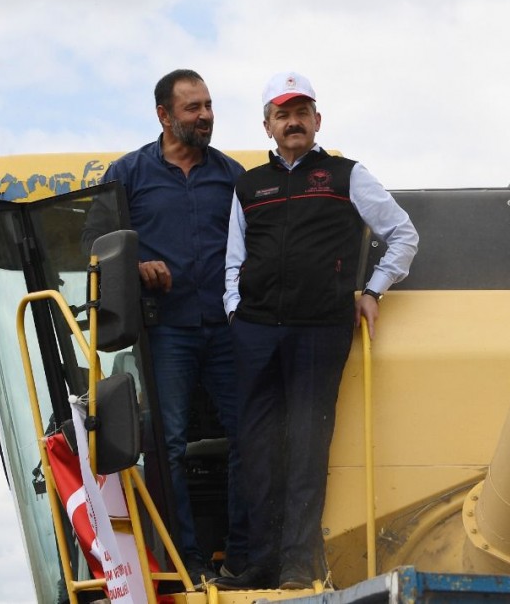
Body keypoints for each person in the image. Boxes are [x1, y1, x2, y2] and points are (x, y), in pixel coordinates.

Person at [219, 71, 417, 590]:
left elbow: (403, 234)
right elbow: (233, 260)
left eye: (302, 112)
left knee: (308, 447)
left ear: (317, 120)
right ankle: (260, 563)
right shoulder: (248, 186)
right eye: (283, 115)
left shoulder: (347, 175)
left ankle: (296, 565)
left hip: (319, 330)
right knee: (257, 450)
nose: (293, 122)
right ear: (268, 126)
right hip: (257, 331)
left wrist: (373, 291)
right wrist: (236, 311)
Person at [96, 68, 247, 581]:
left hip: (227, 329)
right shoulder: (127, 175)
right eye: (193, 108)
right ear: (164, 115)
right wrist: (135, 267)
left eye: (208, 106)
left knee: (248, 436)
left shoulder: (232, 177)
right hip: (168, 333)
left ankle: (243, 555)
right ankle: (187, 561)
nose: (205, 116)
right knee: (170, 445)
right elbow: (94, 245)